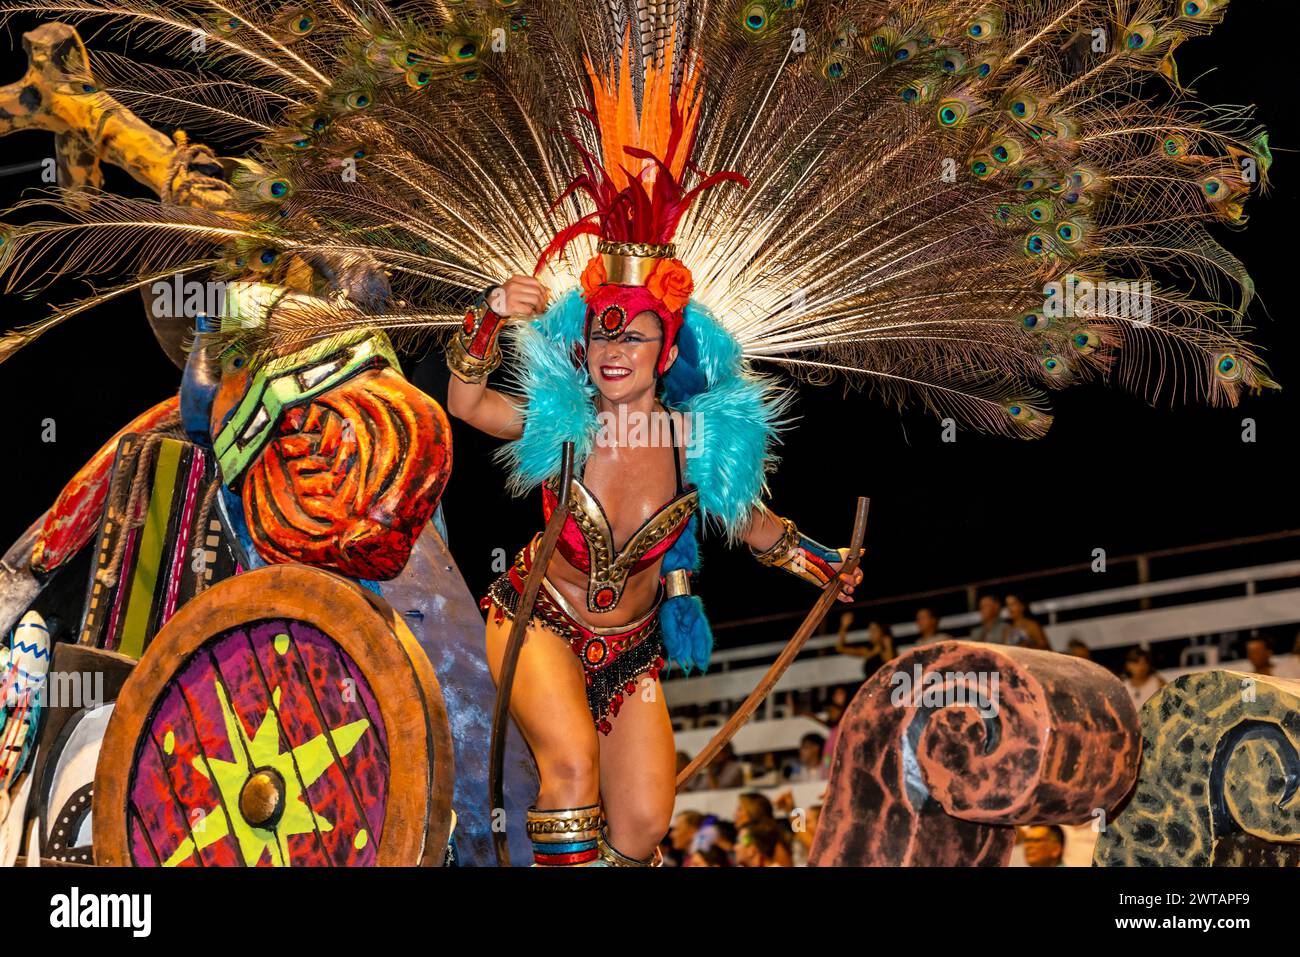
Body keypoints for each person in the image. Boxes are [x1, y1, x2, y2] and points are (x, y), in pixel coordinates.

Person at [835, 613, 896, 679]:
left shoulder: (887, 647)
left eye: (874, 630)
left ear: (882, 631)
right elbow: (840, 648)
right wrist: (844, 627)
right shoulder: (867, 650)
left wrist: (887, 646)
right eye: (870, 630)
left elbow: (890, 665)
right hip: (871, 688)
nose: (871, 634)